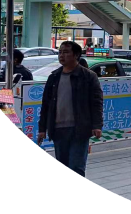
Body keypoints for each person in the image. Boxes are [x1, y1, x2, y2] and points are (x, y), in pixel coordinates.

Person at [37, 41, 103, 177]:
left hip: (79, 129)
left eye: (66, 52)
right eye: (60, 52)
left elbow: (96, 103)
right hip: (58, 130)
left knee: (76, 167)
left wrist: (97, 126)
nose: (62, 55)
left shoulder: (88, 77)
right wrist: (42, 129)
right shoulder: (54, 77)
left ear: (76, 55)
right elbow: (46, 105)